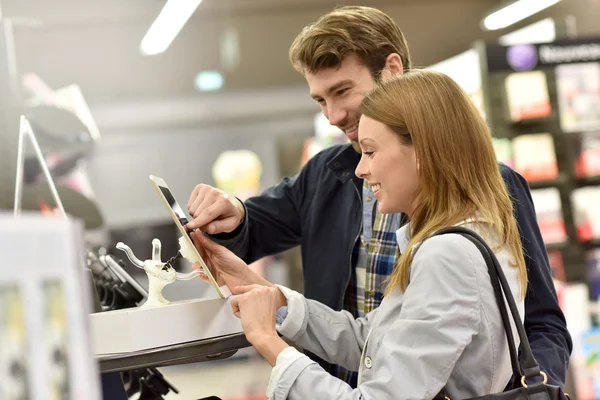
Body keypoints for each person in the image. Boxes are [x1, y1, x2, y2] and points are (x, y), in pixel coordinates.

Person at [186, 6, 571, 387]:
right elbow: (373, 335)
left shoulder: (484, 198)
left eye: (342, 91)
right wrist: (232, 214)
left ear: (391, 70)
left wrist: (533, 391)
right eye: (320, 100)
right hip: (339, 382)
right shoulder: (327, 174)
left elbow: (540, 322)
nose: (333, 115)